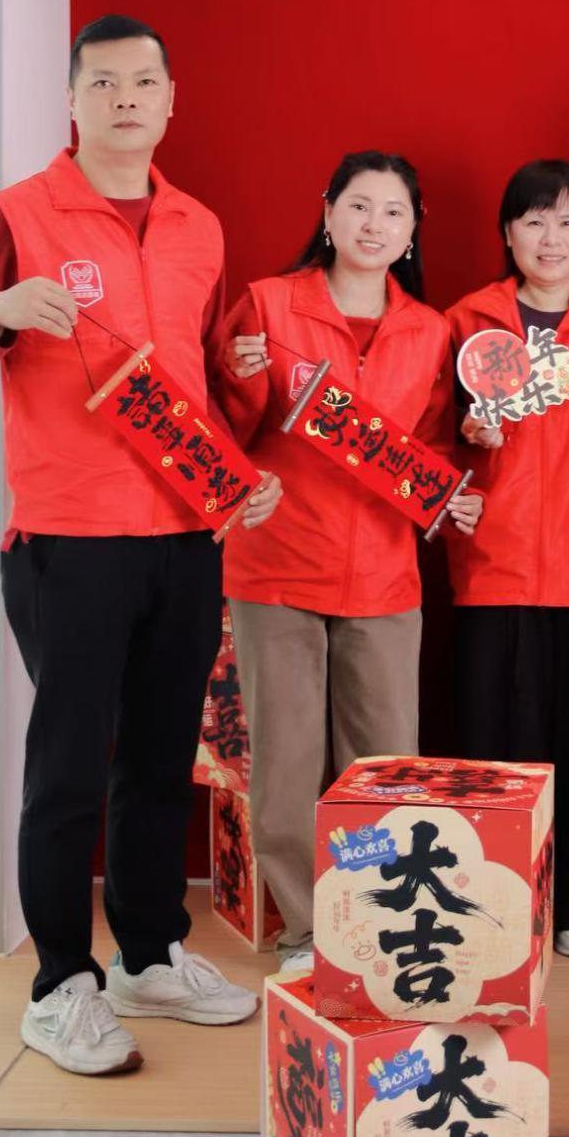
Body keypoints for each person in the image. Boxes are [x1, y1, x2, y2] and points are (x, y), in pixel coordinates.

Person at [0, 14, 281, 1076]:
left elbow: (204, 386)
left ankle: (148, 954)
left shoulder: (198, 226)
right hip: (68, 539)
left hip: (185, 535)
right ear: (73, 99)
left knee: (160, 758)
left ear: (171, 98)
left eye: (144, 81)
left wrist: (243, 453)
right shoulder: (15, 213)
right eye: (103, 82)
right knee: (69, 768)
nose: (126, 97)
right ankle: (58, 984)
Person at [216, 151, 482, 971]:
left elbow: (430, 447)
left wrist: (449, 496)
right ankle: (304, 928)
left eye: (393, 211)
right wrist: (238, 378)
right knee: (287, 760)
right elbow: (225, 428)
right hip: (278, 563)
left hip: (383, 571)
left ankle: (376, 922)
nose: (374, 224)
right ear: (327, 211)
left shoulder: (429, 329)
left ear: (412, 231)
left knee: (386, 765)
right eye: (358, 205)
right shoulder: (267, 302)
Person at [447, 160, 569, 957]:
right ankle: (501, 903)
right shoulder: (466, 318)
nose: (551, 237)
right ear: (507, 232)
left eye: (568, 220)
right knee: (499, 742)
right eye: (533, 220)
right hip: (495, 563)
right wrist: (470, 432)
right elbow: (437, 433)